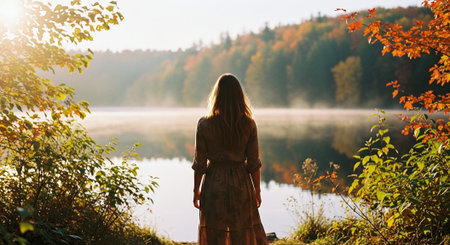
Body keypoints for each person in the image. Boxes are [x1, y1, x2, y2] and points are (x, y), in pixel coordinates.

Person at [192, 73, 268, 245]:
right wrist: (257, 190)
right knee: (242, 232)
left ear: (216, 96)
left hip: (214, 184)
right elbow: (254, 163)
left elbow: (200, 164)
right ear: (239, 96)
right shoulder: (249, 124)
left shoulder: (204, 124)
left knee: (215, 234)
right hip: (241, 183)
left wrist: (196, 190)